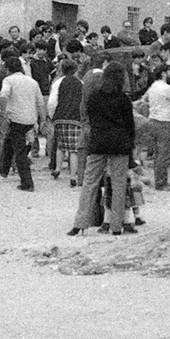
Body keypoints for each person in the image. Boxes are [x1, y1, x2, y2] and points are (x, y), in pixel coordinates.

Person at [68, 61, 136, 235]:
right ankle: (116, 225)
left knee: (89, 182)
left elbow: (90, 118)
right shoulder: (123, 99)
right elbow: (130, 125)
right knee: (119, 184)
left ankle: (80, 223)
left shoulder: (94, 97)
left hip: (98, 142)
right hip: (119, 143)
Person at [0, 56, 46, 192]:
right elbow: (40, 103)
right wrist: (42, 120)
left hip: (16, 119)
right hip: (30, 119)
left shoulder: (8, 80)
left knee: (19, 151)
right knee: (9, 140)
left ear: (8, 69)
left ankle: (27, 182)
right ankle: (3, 169)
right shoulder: (32, 82)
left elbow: (3, 96)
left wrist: (3, 113)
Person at [143, 63, 170, 191]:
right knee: (164, 154)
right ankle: (161, 183)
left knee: (157, 154)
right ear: (164, 73)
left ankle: (158, 179)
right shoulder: (167, 88)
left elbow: (144, 99)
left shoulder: (153, 86)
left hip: (152, 121)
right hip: (165, 123)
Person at [48, 58, 83, 187]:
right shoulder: (80, 83)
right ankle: (73, 176)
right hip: (75, 118)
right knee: (74, 149)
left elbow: (52, 102)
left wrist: (52, 115)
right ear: (75, 70)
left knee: (60, 145)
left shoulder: (58, 82)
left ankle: (57, 168)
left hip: (60, 116)